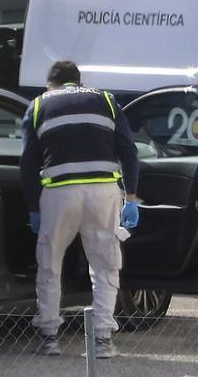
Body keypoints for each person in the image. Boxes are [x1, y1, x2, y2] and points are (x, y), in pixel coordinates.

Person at [20, 60, 141, 358]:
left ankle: (49, 337)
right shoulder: (107, 101)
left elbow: (27, 163)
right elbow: (129, 150)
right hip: (103, 194)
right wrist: (132, 196)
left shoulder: (37, 106)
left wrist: (33, 206)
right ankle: (102, 340)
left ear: (51, 85)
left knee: (50, 265)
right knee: (105, 266)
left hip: (59, 194)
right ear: (79, 81)